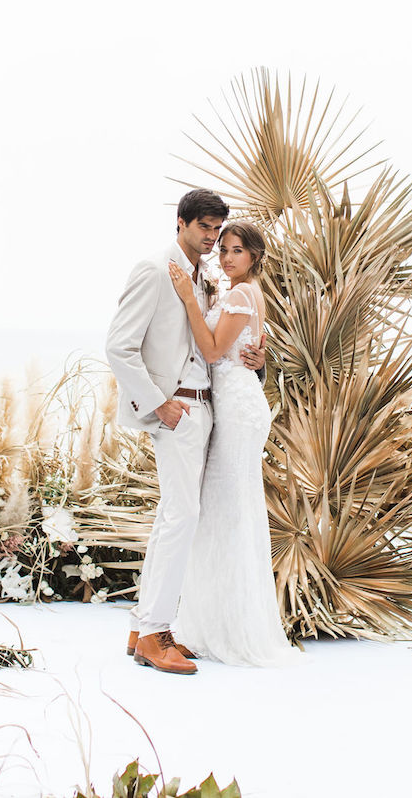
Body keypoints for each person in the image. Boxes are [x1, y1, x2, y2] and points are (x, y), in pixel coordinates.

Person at [105, 190, 266, 675]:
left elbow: (220, 347)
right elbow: (119, 347)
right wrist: (159, 405)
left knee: (172, 517)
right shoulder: (156, 270)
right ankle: (156, 633)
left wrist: (257, 366)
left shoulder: (206, 279)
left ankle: (141, 627)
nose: (212, 238)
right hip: (178, 412)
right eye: (205, 228)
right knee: (182, 516)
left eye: (218, 231)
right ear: (181, 223)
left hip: (209, 412)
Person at [168, 220, 298, 666]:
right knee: (229, 511)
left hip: (238, 410)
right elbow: (237, 348)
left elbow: (211, 351)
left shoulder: (243, 293)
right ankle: (221, 621)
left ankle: (234, 629)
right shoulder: (242, 293)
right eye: (223, 249)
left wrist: (187, 297)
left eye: (236, 250)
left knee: (231, 512)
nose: (226, 258)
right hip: (236, 402)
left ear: (254, 256)